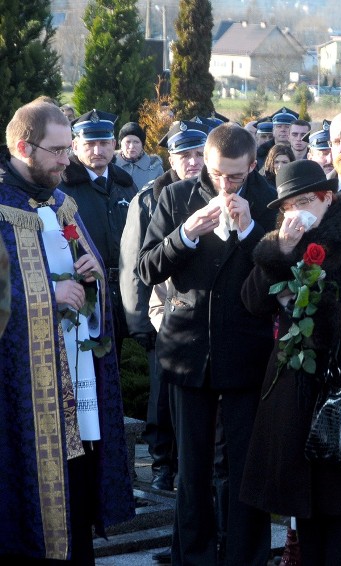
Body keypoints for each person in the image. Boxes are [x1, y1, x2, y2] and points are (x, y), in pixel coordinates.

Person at [240, 160, 341, 565]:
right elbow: (253, 301)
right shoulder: (285, 239)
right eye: (288, 205)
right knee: (304, 503)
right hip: (295, 384)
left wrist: (325, 314)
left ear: (327, 198)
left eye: (305, 201)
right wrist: (280, 252)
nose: (296, 212)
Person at [0, 100, 134, 563]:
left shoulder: (62, 202)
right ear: (23, 146)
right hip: (20, 398)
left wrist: (94, 279)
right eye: (57, 151)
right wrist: (43, 301)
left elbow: (92, 290)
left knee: (75, 499)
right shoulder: (1, 208)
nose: (67, 160)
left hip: (75, 390)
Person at [138, 123, 277, 565]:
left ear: (252, 166)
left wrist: (253, 230)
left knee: (242, 469)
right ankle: (193, 555)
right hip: (187, 350)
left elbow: (283, 275)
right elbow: (146, 269)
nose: (224, 184)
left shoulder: (269, 199)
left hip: (246, 352)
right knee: (192, 469)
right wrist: (184, 236)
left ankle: (244, 556)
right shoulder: (177, 196)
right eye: (217, 174)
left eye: (235, 176)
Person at [119, 120, 211, 495]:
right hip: (163, 312)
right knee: (161, 401)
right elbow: (134, 265)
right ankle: (161, 465)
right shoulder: (149, 198)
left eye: (197, 154)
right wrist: (140, 321)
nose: (191, 162)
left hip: (201, 315)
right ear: (169, 158)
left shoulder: (214, 192)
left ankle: (188, 468)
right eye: (183, 154)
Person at [60, 109, 137, 360]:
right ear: (74, 145)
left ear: (114, 145)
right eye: (89, 144)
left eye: (104, 143)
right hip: (86, 291)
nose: (97, 150)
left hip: (125, 288)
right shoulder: (64, 189)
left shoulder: (126, 185)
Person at [114, 121, 164, 188]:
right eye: (128, 142)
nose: (131, 146)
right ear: (120, 144)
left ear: (142, 145)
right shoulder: (110, 165)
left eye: (136, 142)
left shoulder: (155, 168)